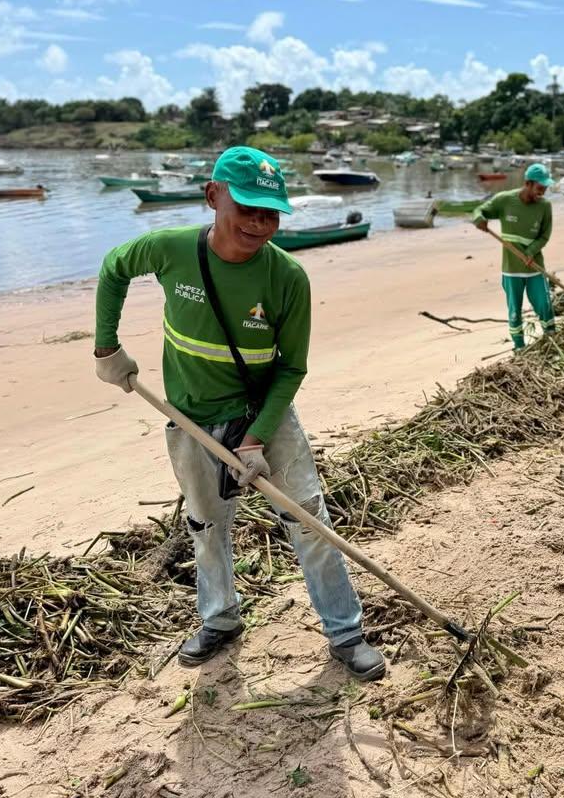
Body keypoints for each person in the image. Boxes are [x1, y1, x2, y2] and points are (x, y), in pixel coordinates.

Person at [93, 146, 385, 680]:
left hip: (263, 414)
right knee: (206, 525)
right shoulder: (170, 249)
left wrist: (257, 436)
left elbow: (291, 368)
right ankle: (220, 619)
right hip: (190, 419)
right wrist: (106, 348)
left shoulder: (287, 277)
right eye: (246, 208)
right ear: (213, 196)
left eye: (270, 213)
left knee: (308, 521)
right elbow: (114, 268)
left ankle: (345, 633)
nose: (258, 223)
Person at [473, 164, 555, 350]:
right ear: (528, 183)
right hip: (511, 270)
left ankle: (553, 341)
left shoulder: (545, 206)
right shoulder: (505, 200)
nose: (543, 191)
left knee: (544, 305)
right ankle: (519, 348)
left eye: (545, 188)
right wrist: (479, 220)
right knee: (514, 312)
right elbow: (479, 210)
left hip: (534, 267)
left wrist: (530, 251)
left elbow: (544, 236)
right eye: (540, 187)